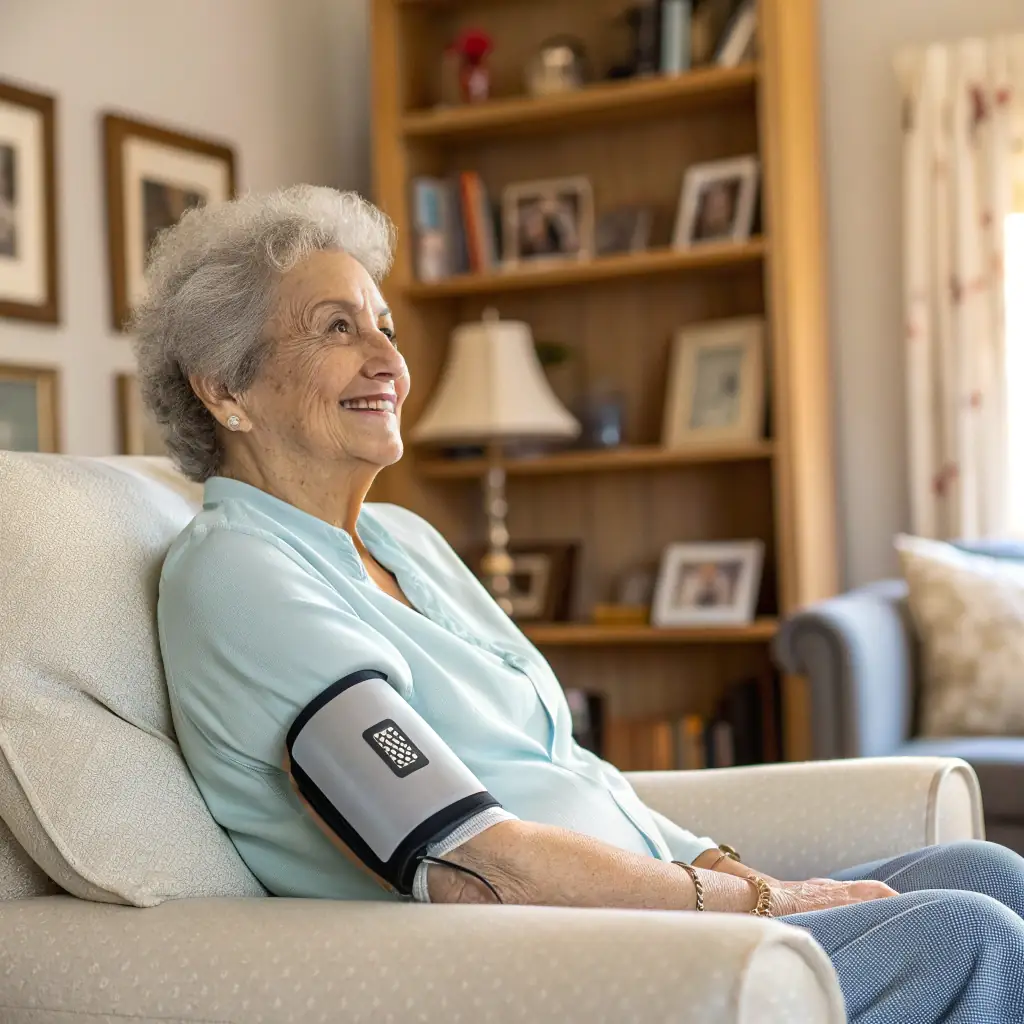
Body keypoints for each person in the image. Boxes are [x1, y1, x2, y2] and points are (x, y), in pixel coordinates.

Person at [146, 186, 1024, 1024]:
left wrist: (723, 868)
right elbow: (473, 864)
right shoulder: (240, 577)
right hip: (548, 959)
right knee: (966, 933)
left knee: (987, 874)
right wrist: (766, 901)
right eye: (336, 328)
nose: (389, 360)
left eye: (384, 324)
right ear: (224, 388)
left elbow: (571, 769)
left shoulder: (404, 539)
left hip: (645, 911)